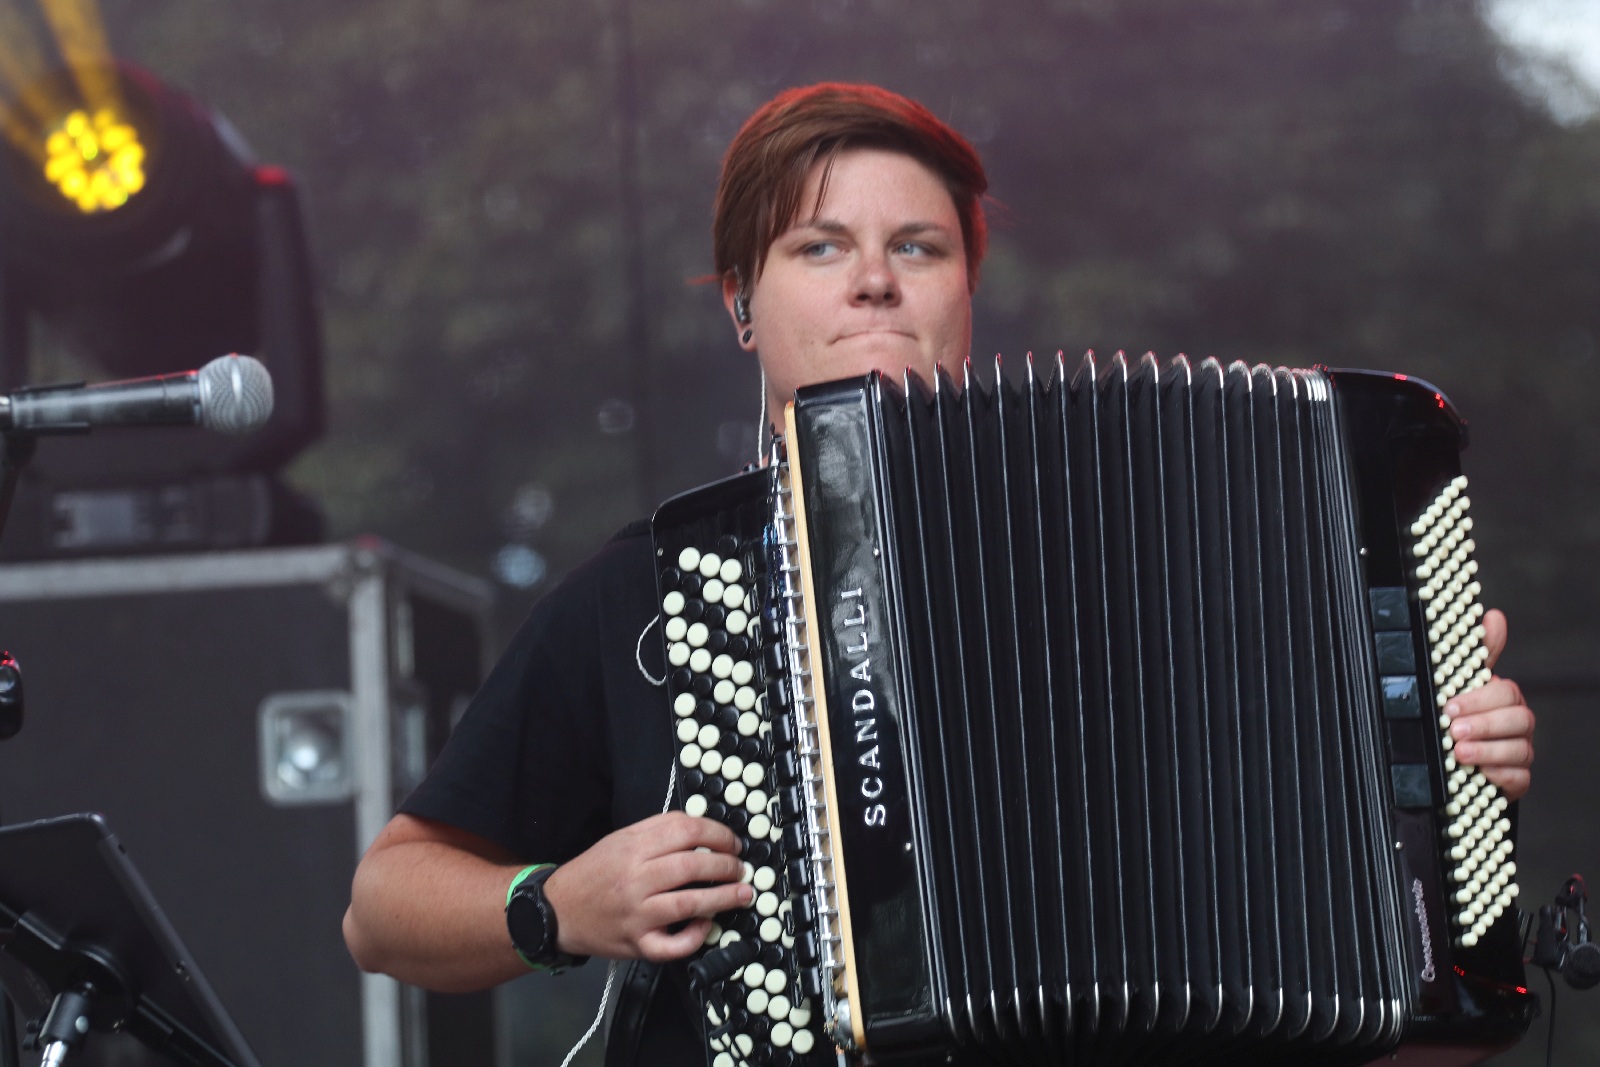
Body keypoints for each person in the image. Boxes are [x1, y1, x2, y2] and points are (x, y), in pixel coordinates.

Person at [342, 83, 1538, 1062]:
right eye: (820, 246)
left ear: (965, 290)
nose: (874, 279)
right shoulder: (650, 589)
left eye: (916, 246)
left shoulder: (1181, 553)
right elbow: (385, 905)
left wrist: (1448, 777)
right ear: (742, 306)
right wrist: (556, 905)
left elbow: (1419, 1035)